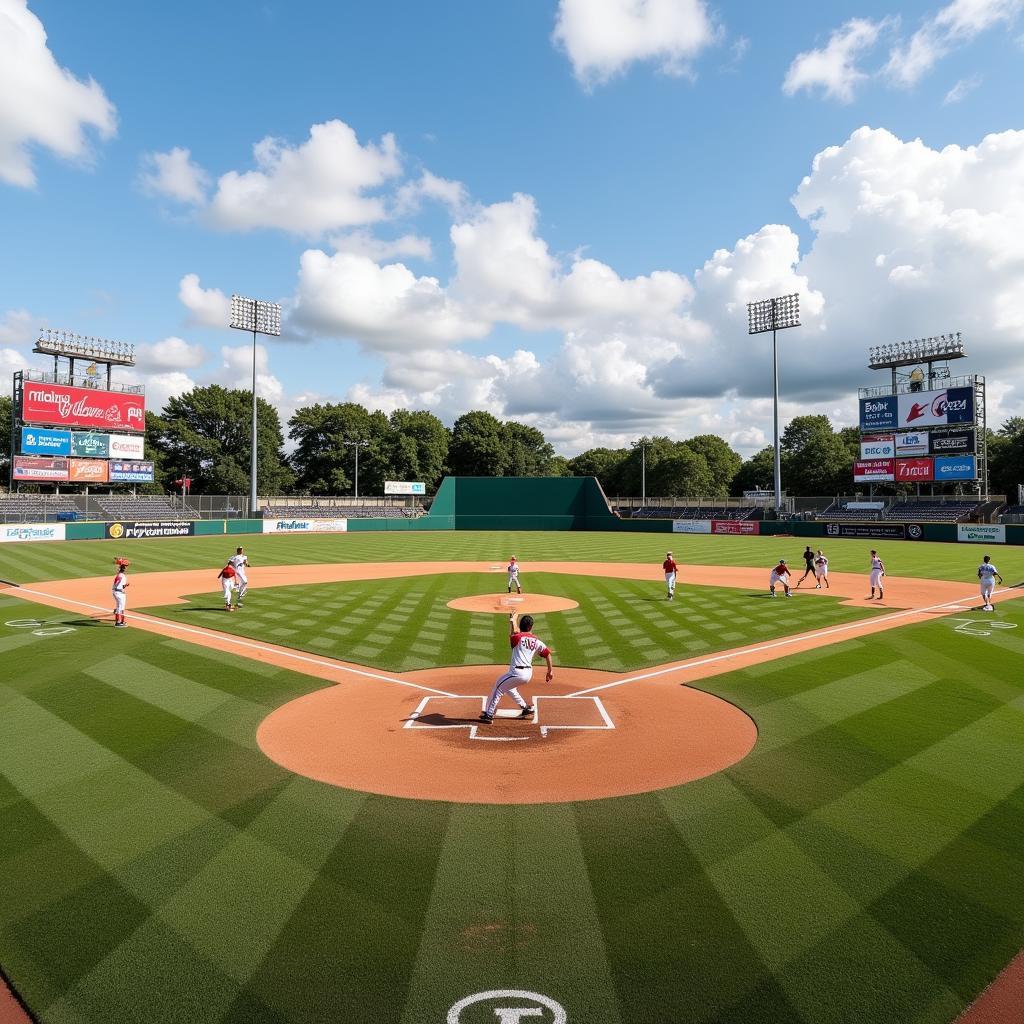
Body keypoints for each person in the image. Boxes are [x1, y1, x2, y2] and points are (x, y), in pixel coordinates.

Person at [479, 612, 554, 723]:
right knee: (509, 688)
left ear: (521, 625)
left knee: (498, 687)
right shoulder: (536, 641)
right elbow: (547, 653)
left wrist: (513, 620)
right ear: (531, 627)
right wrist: (550, 671)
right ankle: (525, 708)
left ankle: (489, 715)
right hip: (528, 673)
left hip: (517, 673)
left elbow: (514, 633)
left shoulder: (518, 637)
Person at [112, 557, 130, 628]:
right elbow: (118, 587)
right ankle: (118, 622)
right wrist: (125, 585)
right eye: (125, 567)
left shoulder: (119, 575)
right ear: (123, 568)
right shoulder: (122, 576)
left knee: (119, 607)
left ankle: (121, 621)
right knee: (120, 607)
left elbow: (117, 585)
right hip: (119, 593)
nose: (126, 568)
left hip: (116, 592)